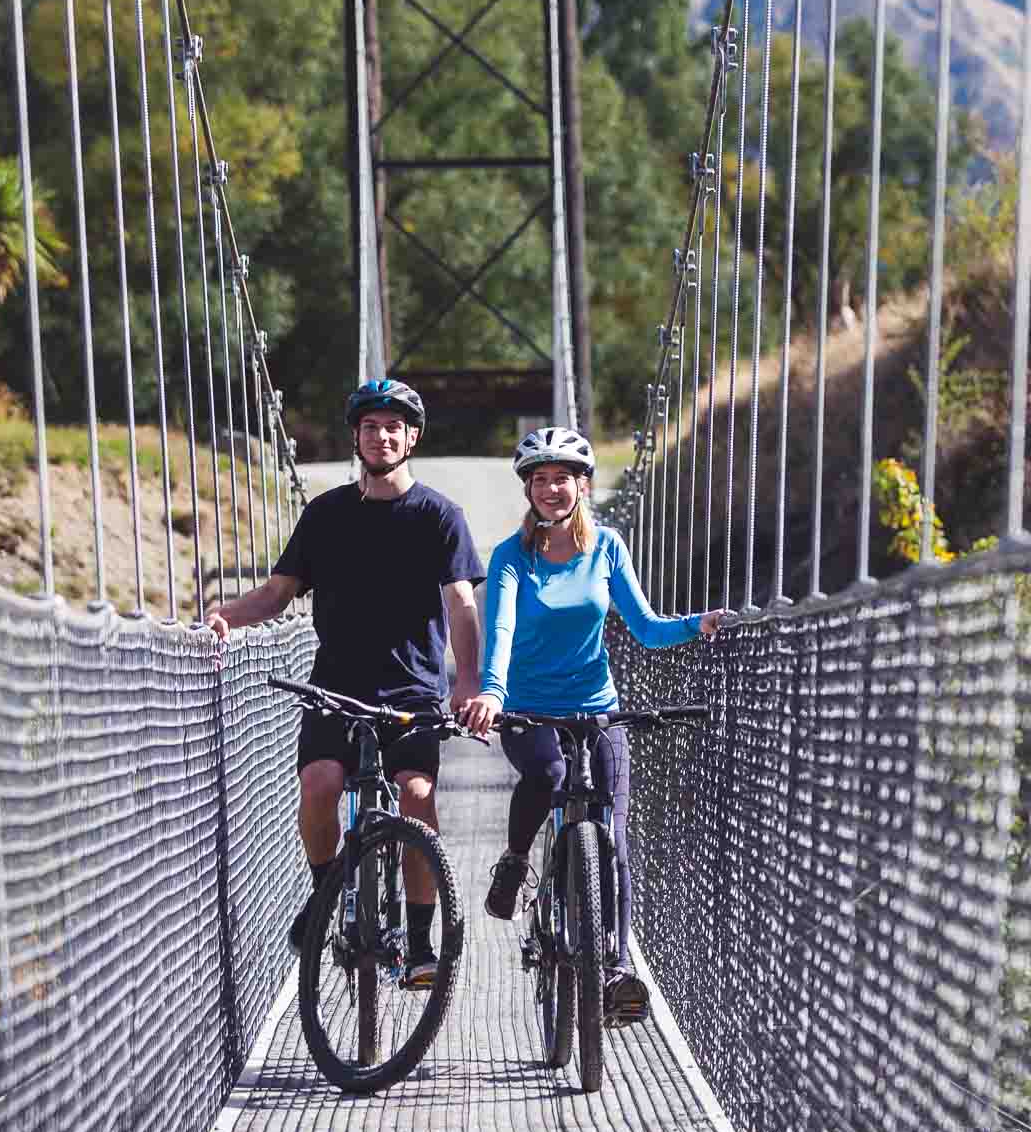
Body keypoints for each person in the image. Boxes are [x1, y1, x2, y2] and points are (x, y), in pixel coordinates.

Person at [207, 377, 484, 988]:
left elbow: (462, 604)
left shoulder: (440, 515)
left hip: (410, 690)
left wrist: (467, 681)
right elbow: (279, 594)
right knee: (321, 782)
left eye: (393, 427)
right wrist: (226, 615)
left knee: (414, 795)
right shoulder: (325, 514)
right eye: (369, 427)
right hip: (334, 686)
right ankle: (325, 890)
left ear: (411, 438)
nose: (381, 436)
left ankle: (418, 941)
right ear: (355, 437)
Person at [454, 426, 727, 1023]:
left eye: (564, 478)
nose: (553, 488)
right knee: (548, 772)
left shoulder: (607, 547)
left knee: (612, 836)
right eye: (541, 479)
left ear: (583, 485)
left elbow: (647, 627)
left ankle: (619, 967)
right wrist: (493, 693)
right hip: (527, 708)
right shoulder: (509, 558)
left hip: (596, 706)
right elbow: (497, 632)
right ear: (529, 489)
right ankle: (518, 861)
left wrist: (696, 625)